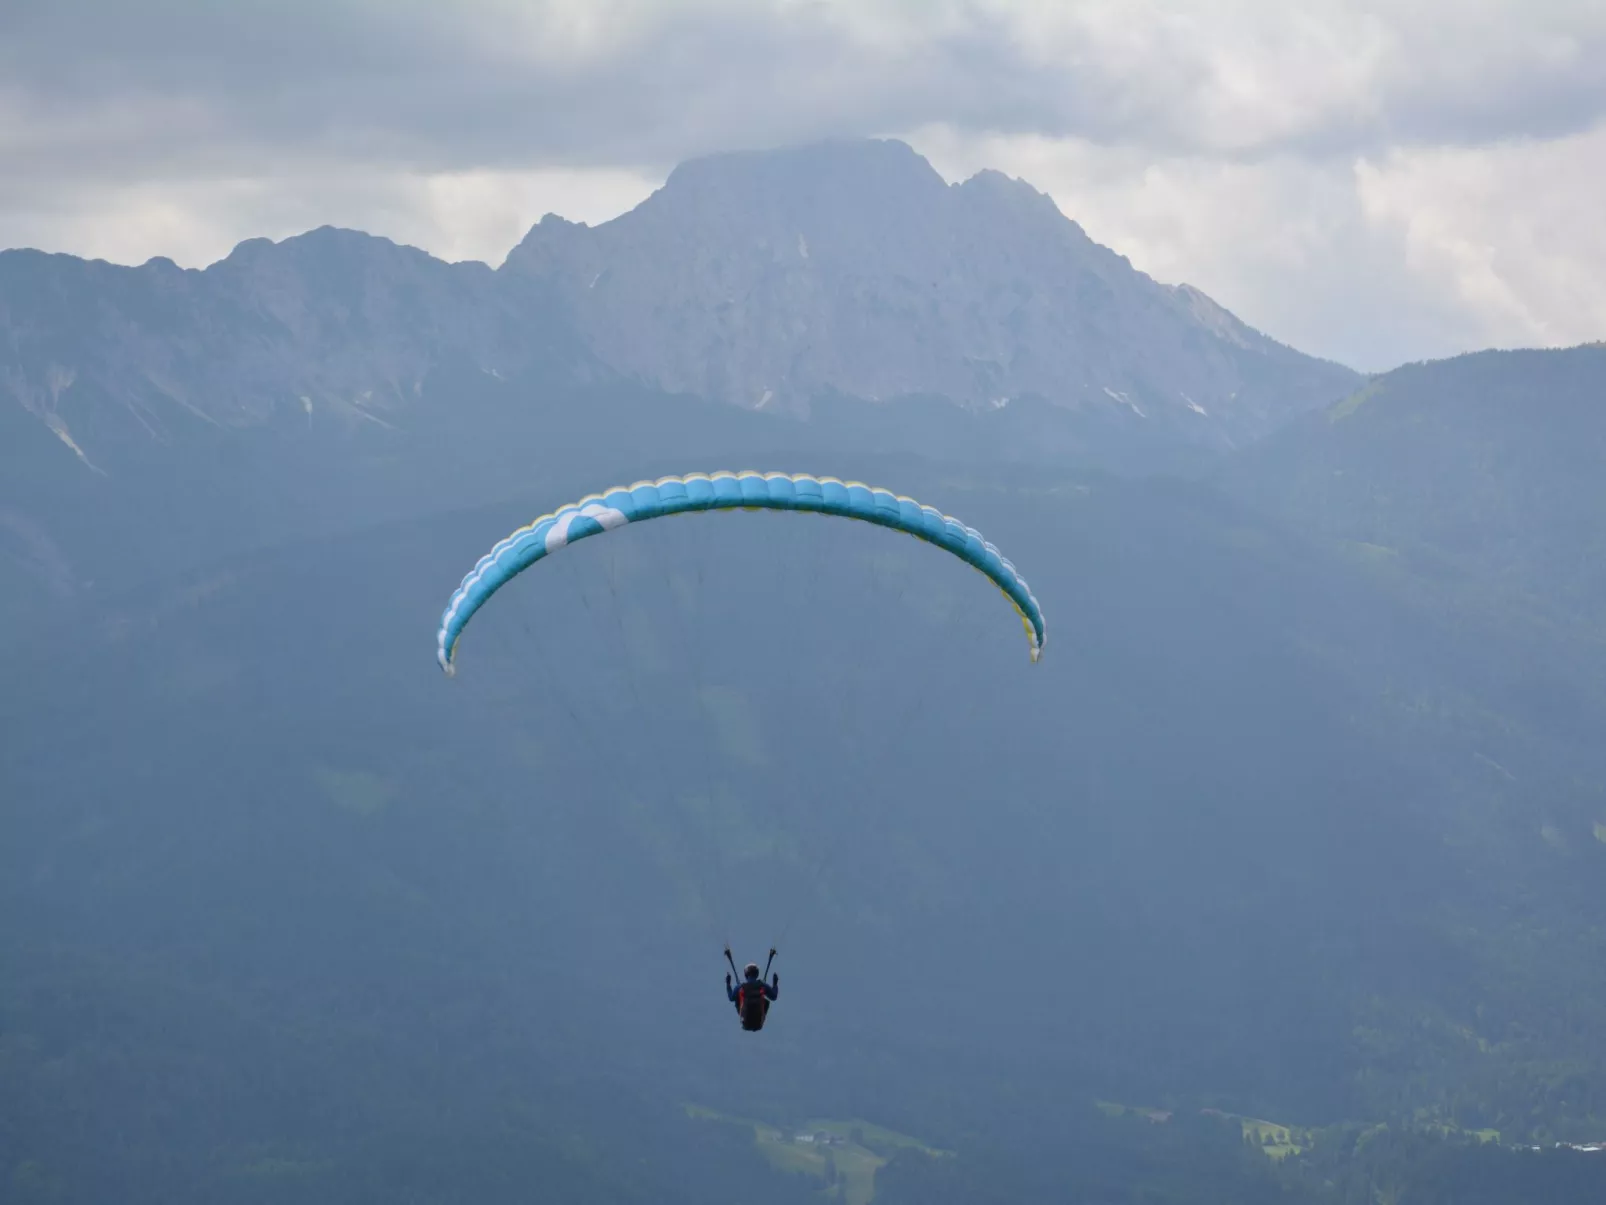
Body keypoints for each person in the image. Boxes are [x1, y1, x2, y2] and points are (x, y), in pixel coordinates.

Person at [726, 959, 779, 1032]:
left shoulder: (740, 987)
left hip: (745, 1024)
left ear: (746, 975)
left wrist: (728, 984)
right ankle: (761, 1017)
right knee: (766, 1001)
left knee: (737, 999)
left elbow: (731, 998)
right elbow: (774, 997)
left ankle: (744, 1016)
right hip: (758, 1024)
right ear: (757, 974)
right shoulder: (762, 985)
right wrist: (775, 984)